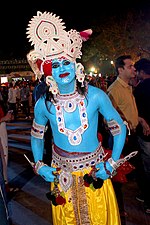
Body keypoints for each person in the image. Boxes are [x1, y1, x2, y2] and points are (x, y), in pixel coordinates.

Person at [26, 11, 127, 225]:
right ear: (48, 74)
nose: (62, 69)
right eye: (55, 65)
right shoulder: (43, 104)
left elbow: (119, 128)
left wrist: (112, 164)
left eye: (65, 62)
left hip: (95, 173)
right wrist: (39, 164)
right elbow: (36, 137)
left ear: (76, 66)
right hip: (61, 176)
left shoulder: (97, 96)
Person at [107, 55, 139, 216]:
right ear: (120, 70)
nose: (134, 68)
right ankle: (117, 209)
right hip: (121, 138)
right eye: (130, 66)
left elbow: (126, 111)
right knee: (117, 175)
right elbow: (109, 118)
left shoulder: (128, 86)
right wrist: (120, 135)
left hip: (132, 135)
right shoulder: (114, 90)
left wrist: (141, 121)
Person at [134, 58, 150, 214]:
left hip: (146, 133)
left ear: (142, 72)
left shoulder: (139, 89)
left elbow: (135, 112)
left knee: (148, 168)